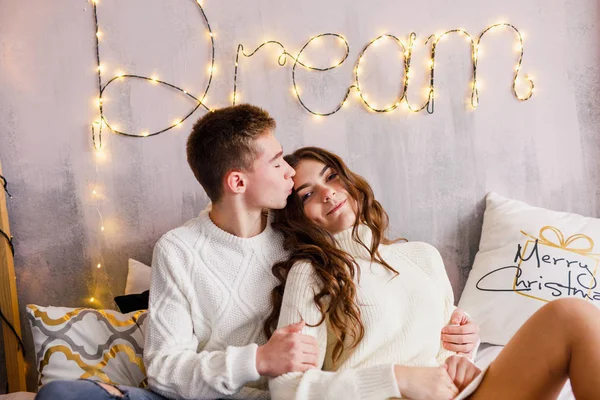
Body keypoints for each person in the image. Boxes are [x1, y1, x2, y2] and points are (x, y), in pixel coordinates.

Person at [35, 105, 478, 400]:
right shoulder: (180, 250)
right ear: (238, 182)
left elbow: (379, 291)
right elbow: (165, 370)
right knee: (61, 394)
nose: (289, 173)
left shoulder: (301, 240)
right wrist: (258, 360)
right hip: (203, 397)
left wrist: (453, 332)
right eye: (278, 161)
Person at [267, 146, 600, 400]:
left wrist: (462, 358)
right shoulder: (311, 274)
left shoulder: (422, 257)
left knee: (571, 315)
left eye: (331, 176)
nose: (327, 193)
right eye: (308, 193)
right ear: (299, 216)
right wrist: (398, 378)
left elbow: (443, 355)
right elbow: (286, 388)